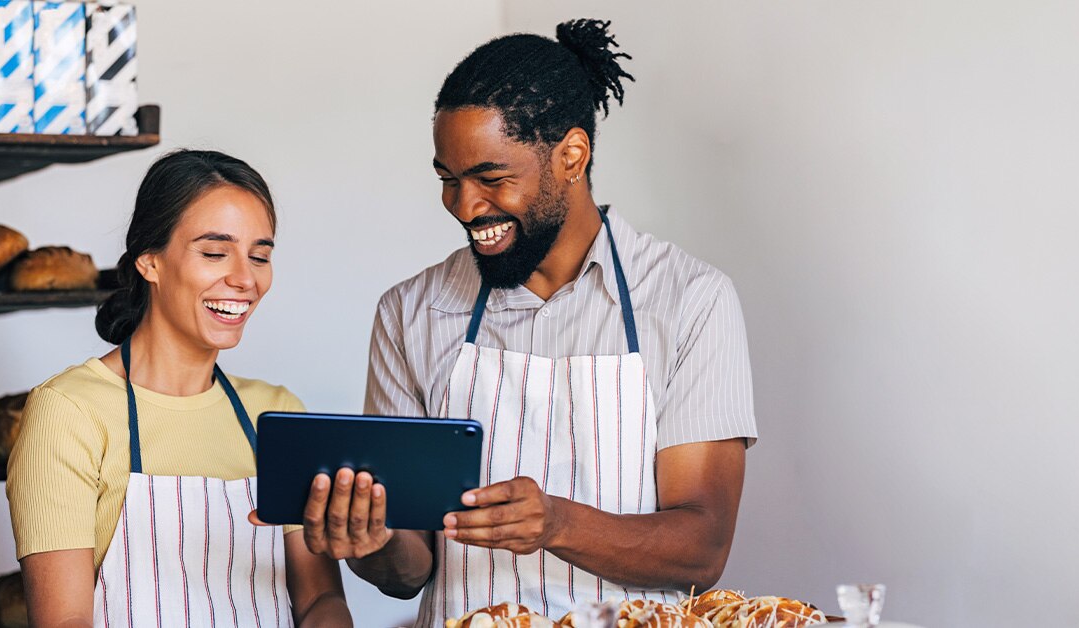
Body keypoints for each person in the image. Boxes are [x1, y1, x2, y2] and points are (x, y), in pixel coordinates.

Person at [298, 19, 757, 625]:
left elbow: (702, 548)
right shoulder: (410, 313)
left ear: (571, 155)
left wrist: (557, 523)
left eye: (491, 178)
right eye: (448, 179)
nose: (465, 207)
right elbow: (411, 572)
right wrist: (371, 541)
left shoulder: (689, 300)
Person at [6, 150, 352, 627]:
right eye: (214, 252)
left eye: (260, 256)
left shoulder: (276, 413)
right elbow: (64, 621)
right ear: (150, 261)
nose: (245, 279)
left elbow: (319, 600)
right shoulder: (69, 410)